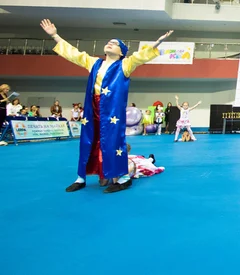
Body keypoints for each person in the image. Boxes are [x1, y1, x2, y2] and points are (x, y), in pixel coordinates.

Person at [40, 18, 172, 193]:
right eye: (109, 42)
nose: (110, 44)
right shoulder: (94, 63)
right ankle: (81, 178)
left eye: (115, 44)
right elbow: (73, 53)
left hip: (111, 111)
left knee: (113, 141)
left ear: (122, 52)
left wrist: (157, 43)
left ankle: (123, 178)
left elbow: (140, 57)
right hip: (92, 107)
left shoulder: (125, 65)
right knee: (88, 140)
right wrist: (55, 35)